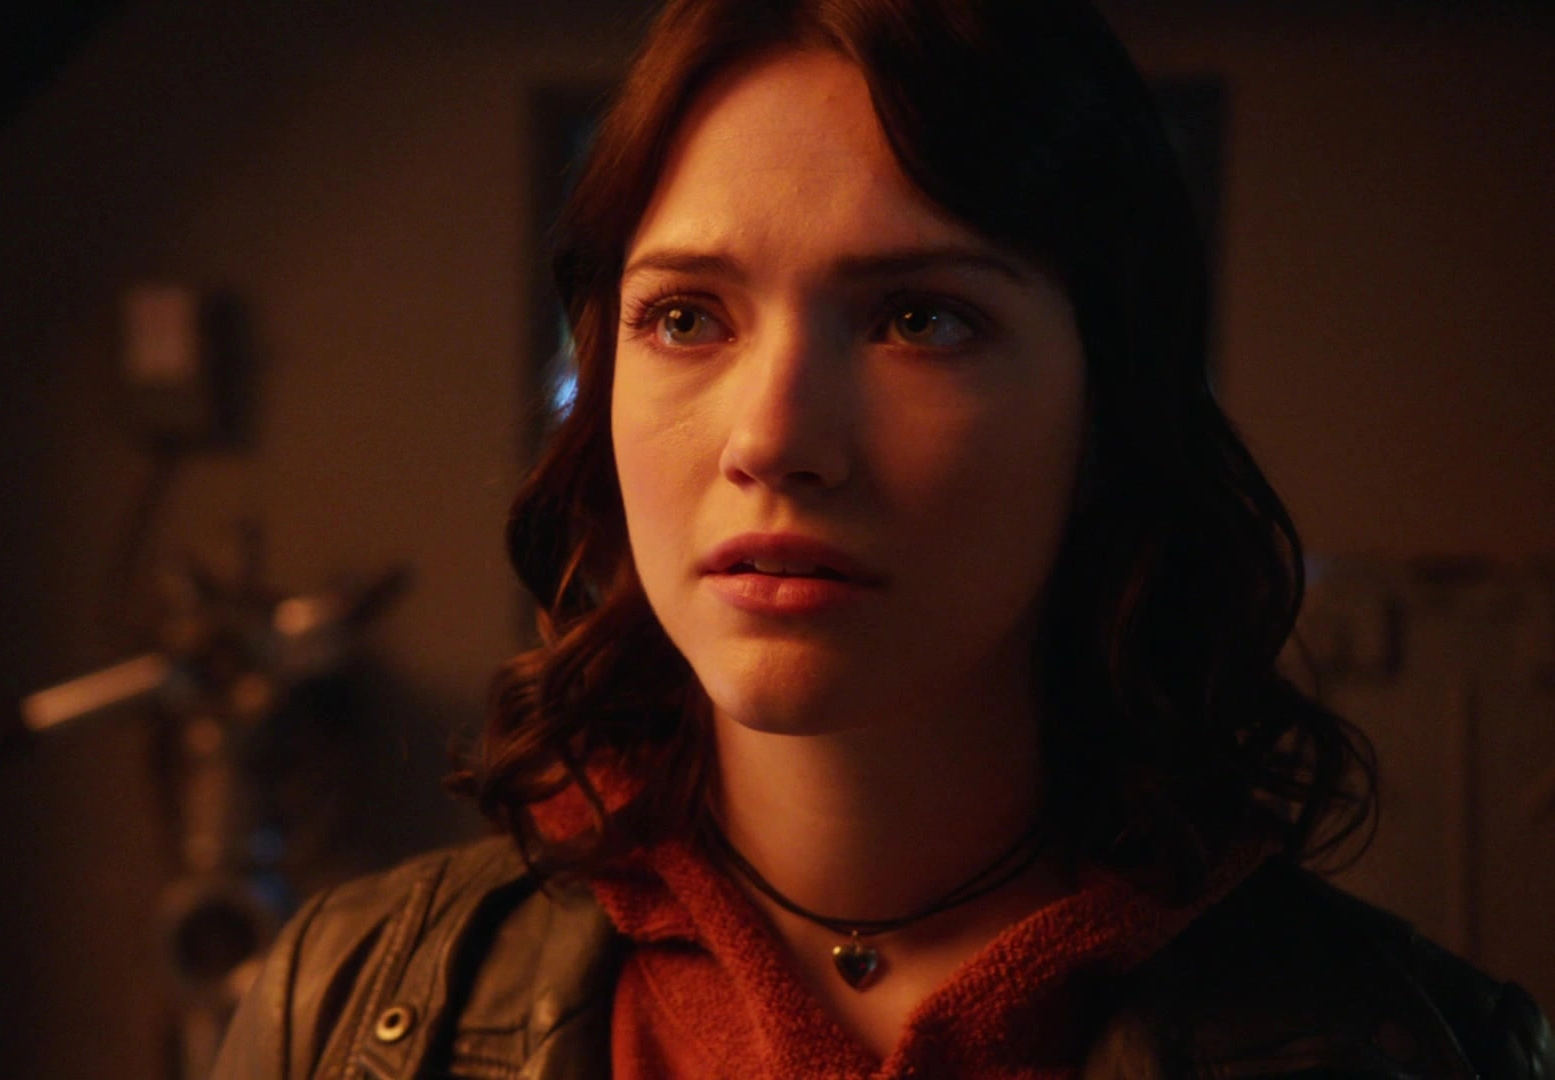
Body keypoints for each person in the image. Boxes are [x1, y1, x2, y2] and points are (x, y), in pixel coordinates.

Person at [213, 0, 1554, 1076]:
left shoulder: (1425, 1046)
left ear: (1109, 402)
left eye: (919, 318)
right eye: (686, 317)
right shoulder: (345, 1007)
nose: (774, 437)